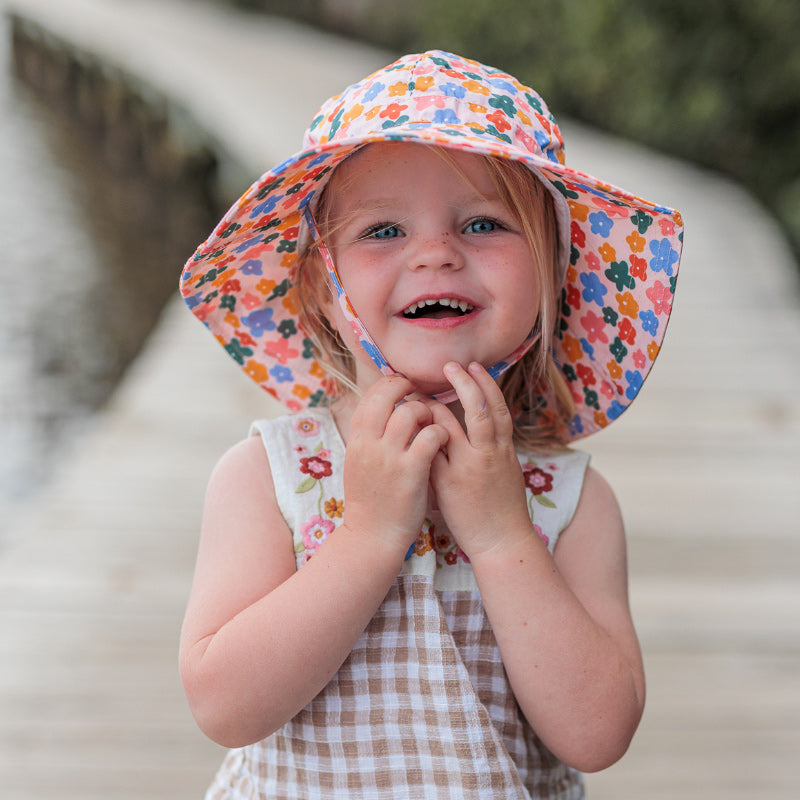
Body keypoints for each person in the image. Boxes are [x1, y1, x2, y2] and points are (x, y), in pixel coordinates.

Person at [179, 50, 683, 799]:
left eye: (484, 224)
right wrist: (369, 535)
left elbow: (598, 733)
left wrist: (503, 535)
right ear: (323, 285)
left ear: (553, 275)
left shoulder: (566, 500)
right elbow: (223, 705)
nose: (437, 254)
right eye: (383, 231)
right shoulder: (273, 478)